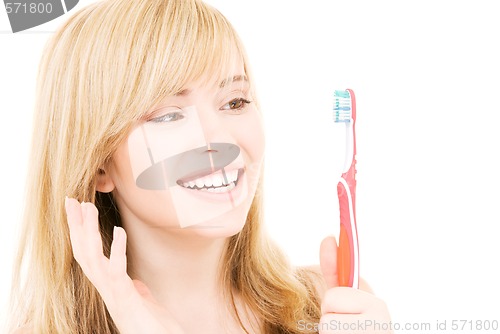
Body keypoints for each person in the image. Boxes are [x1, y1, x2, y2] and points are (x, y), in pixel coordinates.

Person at [8, 0, 392, 333]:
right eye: (168, 115)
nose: (218, 138)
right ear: (99, 169)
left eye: (235, 102)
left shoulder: (331, 307)